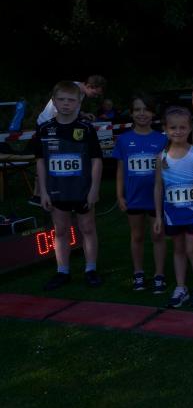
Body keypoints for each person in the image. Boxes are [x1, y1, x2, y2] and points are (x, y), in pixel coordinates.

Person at [34, 81, 103, 290]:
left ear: (79, 101)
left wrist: (94, 189)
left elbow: (96, 160)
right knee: (61, 230)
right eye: (61, 99)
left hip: (82, 189)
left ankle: (91, 270)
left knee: (88, 228)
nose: (66, 104)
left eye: (70, 100)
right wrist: (43, 191)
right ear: (54, 101)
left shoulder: (86, 129)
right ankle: (62, 271)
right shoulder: (45, 129)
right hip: (57, 189)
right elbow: (40, 162)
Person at [153, 106, 193, 308]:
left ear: (189, 129)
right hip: (172, 215)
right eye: (173, 128)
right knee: (178, 250)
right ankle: (181, 288)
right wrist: (158, 216)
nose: (178, 131)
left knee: (192, 249)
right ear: (165, 129)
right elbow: (158, 187)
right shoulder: (161, 157)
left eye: (182, 127)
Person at [113, 93, 168, 293]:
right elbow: (120, 171)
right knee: (137, 236)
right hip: (134, 197)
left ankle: (159, 274)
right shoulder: (124, 139)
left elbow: (169, 170)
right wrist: (119, 195)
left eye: (146, 109)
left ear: (153, 113)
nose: (142, 113)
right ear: (131, 113)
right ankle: (138, 273)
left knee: (158, 236)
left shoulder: (162, 139)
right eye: (137, 109)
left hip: (156, 199)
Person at [31, 75, 106, 207]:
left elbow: (71, 110)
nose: (95, 96)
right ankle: (39, 194)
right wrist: (64, 129)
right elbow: (58, 112)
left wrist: (82, 114)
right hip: (48, 126)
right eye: (95, 93)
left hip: (60, 126)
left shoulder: (80, 93)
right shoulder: (70, 89)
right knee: (47, 159)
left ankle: (68, 189)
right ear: (90, 86)